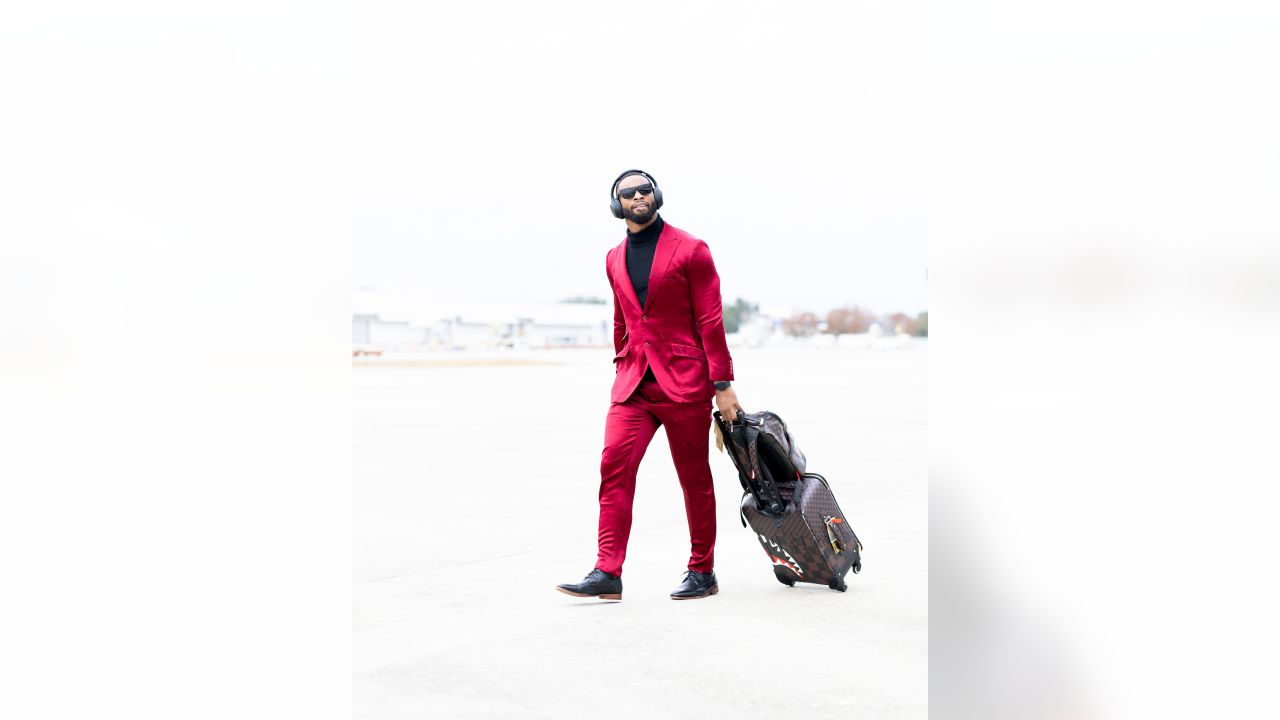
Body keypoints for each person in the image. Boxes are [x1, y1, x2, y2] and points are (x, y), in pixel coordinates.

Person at [556, 169, 743, 601]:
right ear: (616, 204)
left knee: (694, 478)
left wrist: (722, 383)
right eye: (628, 192)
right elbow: (622, 317)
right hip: (633, 385)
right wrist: (621, 359)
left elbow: (710, 319)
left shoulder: (691, 249)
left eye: (644, 189)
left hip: (684, 382)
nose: (638, 195)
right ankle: (608, 572)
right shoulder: (612, 257)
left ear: (656, 195)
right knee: (613, 469)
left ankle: (703, 570)